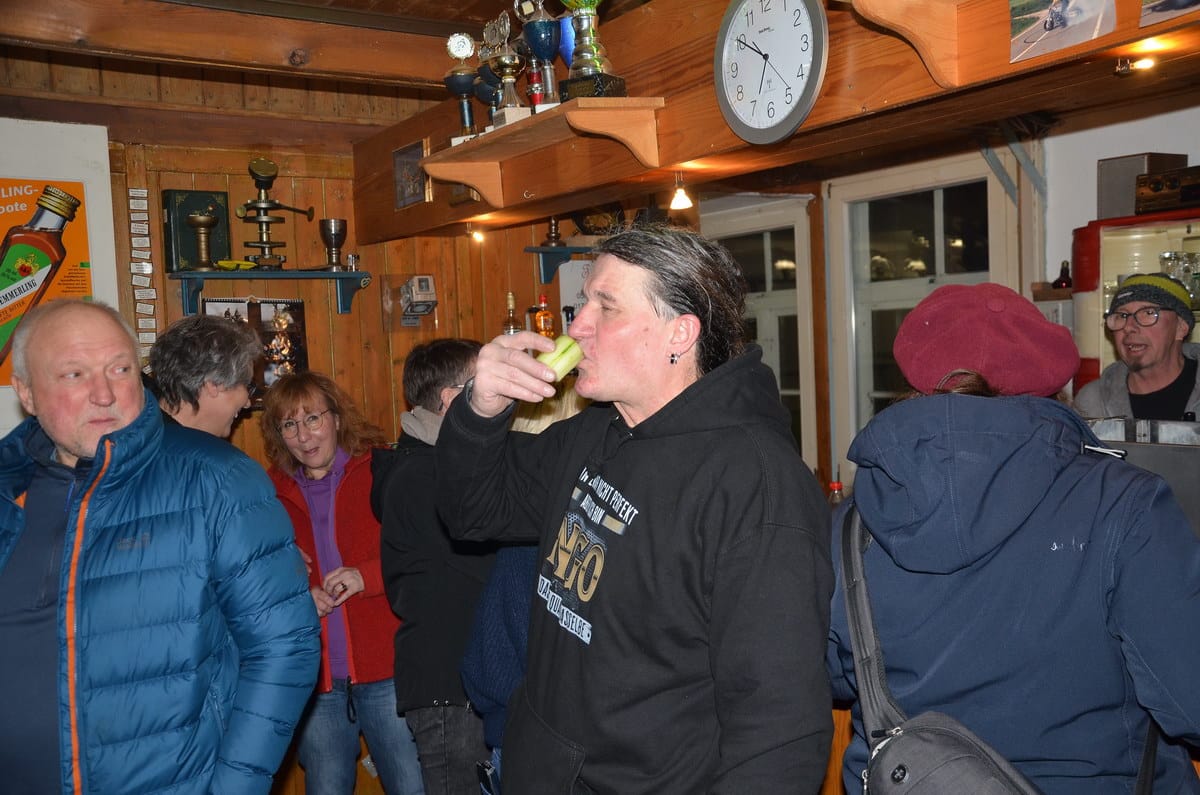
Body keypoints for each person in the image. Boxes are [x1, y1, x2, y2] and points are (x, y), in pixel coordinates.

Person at [434, 226, 833, 794]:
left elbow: (778, 730)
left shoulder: (757, 486)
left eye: (607, 307)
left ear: (680, 333)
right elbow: (472, 512)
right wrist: (481, 410)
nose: (577, 327)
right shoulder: (594, 431)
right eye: (583, 303)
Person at [826, 283, 1200, 793]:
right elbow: (1189, 699)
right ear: (1047, 375)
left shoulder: (855, 521)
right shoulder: (1126, 504)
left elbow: (834, 675)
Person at [0, 299, 320, 794]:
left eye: (120, 369)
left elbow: (285, 647)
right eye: (75, 374)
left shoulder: (216, 479)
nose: (104, 394)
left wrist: (234, 788)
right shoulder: (9, 492)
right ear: (26, 391)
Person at [262, 372, 425, 795]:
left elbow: (423, 553)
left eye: (313, 418)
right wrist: (298, 593)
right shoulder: (267, 494)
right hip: (315, 680)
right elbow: (255, 574)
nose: (304, 436)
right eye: (289, 424)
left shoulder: (382, 470)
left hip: (386, 670)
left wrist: (365, 575)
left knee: (411, 786)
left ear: (336, 418)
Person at [375, 338, 496, 795]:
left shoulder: (436, 464)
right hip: (448, 683)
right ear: (451, 400)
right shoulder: (422, 476)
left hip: (460, 680)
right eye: (487, 385)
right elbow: (483, 564)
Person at [459, 376, 592, 792]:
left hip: (535, 744)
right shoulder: (563, 530)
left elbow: (486, 666)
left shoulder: (526, 536)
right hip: (557, 745)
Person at [1074, 272, 1200, 420]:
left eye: (1148, 313)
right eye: (1122, 315)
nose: (1128, 327)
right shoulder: (1092, 404)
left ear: (1180, 327)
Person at [149, 313, 263, 436]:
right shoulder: (197, 447)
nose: (247, 403)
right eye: (247, 385)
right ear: (214, 384)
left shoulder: (143, 433)